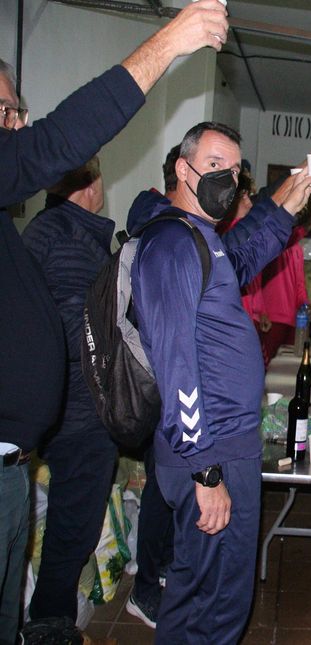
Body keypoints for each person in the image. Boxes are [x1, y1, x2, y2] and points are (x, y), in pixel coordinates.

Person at [0, 3, 227, 640]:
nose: (17, 125)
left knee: (56, 548)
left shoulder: (84, 236)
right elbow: (59, 138)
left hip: (44, 440)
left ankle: (48, 623)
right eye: (7, 112)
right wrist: (172, 41)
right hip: (75, 418)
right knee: (73, 525)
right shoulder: (53, 234)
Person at [131, 121, 311, 643]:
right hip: (210, 448)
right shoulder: (171, 242)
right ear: (183, 169)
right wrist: (206, 471)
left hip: (220, 443)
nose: (227, 180)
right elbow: (175, 363)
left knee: (198, 593)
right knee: (217, 604)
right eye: (215, 166)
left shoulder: (197, 236)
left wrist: (283, 210)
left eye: (234, 171)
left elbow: (241, 259)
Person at [21, 158, 121, 629]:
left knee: (61, 526)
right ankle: (50, 626)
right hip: (80, 411)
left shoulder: (44, 232)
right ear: (91, 183)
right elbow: (78, 336)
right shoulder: (70, 241)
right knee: (72, 530)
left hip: (57, 407)